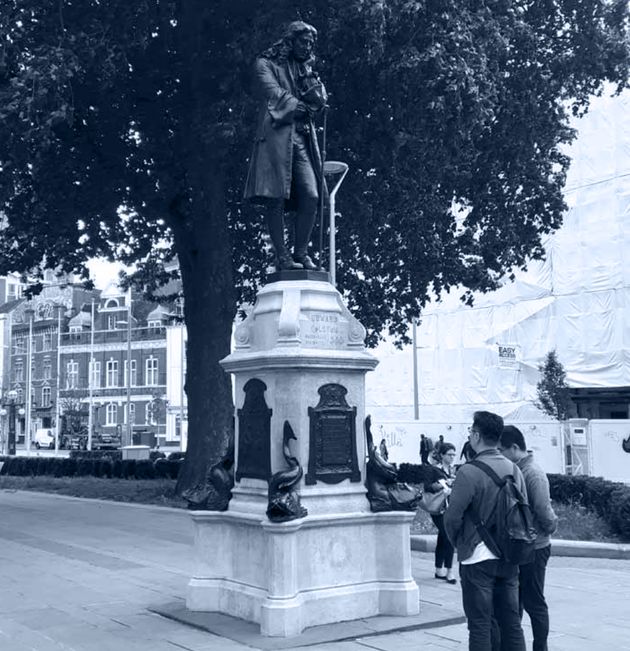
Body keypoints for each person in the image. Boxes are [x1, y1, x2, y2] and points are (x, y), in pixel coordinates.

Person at [244, 21, 327, 271]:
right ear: (290, 40)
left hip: (301, 138)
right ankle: (282, 256)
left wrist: (312, 85)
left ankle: (301, 253)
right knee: (276, 196)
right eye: (304, 42)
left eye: (311, 44)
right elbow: (273, 93)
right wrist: (299, 106)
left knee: (312, 195)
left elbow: (319, 101)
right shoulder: (264, 64)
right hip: (276, 138)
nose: (308, 47)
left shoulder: (304, 69)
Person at [444, 411, 527, 651]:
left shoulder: (468, 472)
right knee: (512, 623)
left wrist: (460, 543)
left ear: (477, 435)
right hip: (510, 554)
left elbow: (452, 517)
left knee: (479, 624)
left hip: (477, 557)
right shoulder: (514, 469)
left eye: (471, 431)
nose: (470, 435)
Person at [499, 425, 558, 651]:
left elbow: (544, 511)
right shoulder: (515, 470)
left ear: (515, 448)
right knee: (516, 601)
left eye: (502, 450)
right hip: (520, 546)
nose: (500, 455)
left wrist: (550, 527)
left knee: (534, 602)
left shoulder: (533, 473)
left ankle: (540, 647)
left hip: (535, 547)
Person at [424, 442, 457, 584]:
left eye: (454, 455)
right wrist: (442, 484)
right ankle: (449, 570)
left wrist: (453, 482)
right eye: (449, 454)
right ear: (442, 455)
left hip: (449, 506)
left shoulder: (452, 470)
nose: (452, 457)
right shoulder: (433, 470)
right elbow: (428, 487)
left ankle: (439, 568)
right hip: (438, 507)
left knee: (443, 536)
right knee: (448, 534)